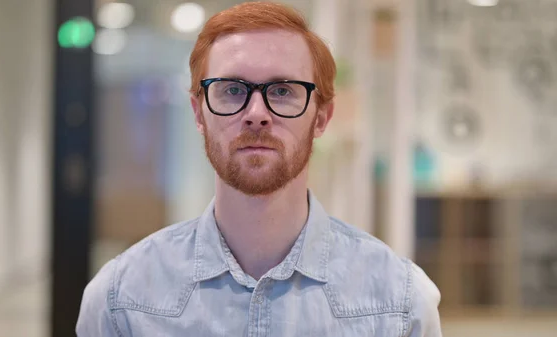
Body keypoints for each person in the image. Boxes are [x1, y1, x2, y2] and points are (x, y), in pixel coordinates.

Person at [76, 2, 442, 336]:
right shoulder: (119, 300)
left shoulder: (400, 304)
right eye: (232, 90)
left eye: (282, 91)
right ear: (197, 113)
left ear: (321, 118)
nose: (256, 114)